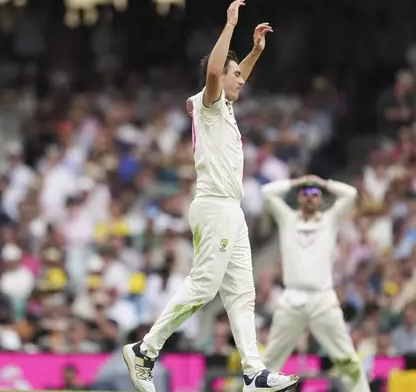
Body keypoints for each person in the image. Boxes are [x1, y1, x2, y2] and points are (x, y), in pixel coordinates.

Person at [122, 2, 299, 391]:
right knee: (204, 286)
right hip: (214, 206)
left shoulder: (226, 107)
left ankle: (254, 372)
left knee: (242, 293)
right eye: (236, 74)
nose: (242, 80)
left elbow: (233, 76)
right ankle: (145, 350)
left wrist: (252, 53)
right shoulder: (210, 102)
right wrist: (231, 25)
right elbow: (218, 72)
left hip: (230, 211)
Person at [261, 175, 370, 392]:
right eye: (305, 194)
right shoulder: (287, 219)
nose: (310, 198)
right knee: (270, 360)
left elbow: (351, 194)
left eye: (315, 195)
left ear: (321, 200)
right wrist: (297, 182)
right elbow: (267, 193)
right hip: (291, 299)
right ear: (298, 198)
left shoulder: (330, 220)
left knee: (346, 358)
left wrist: (323, 183)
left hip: (322, 299)